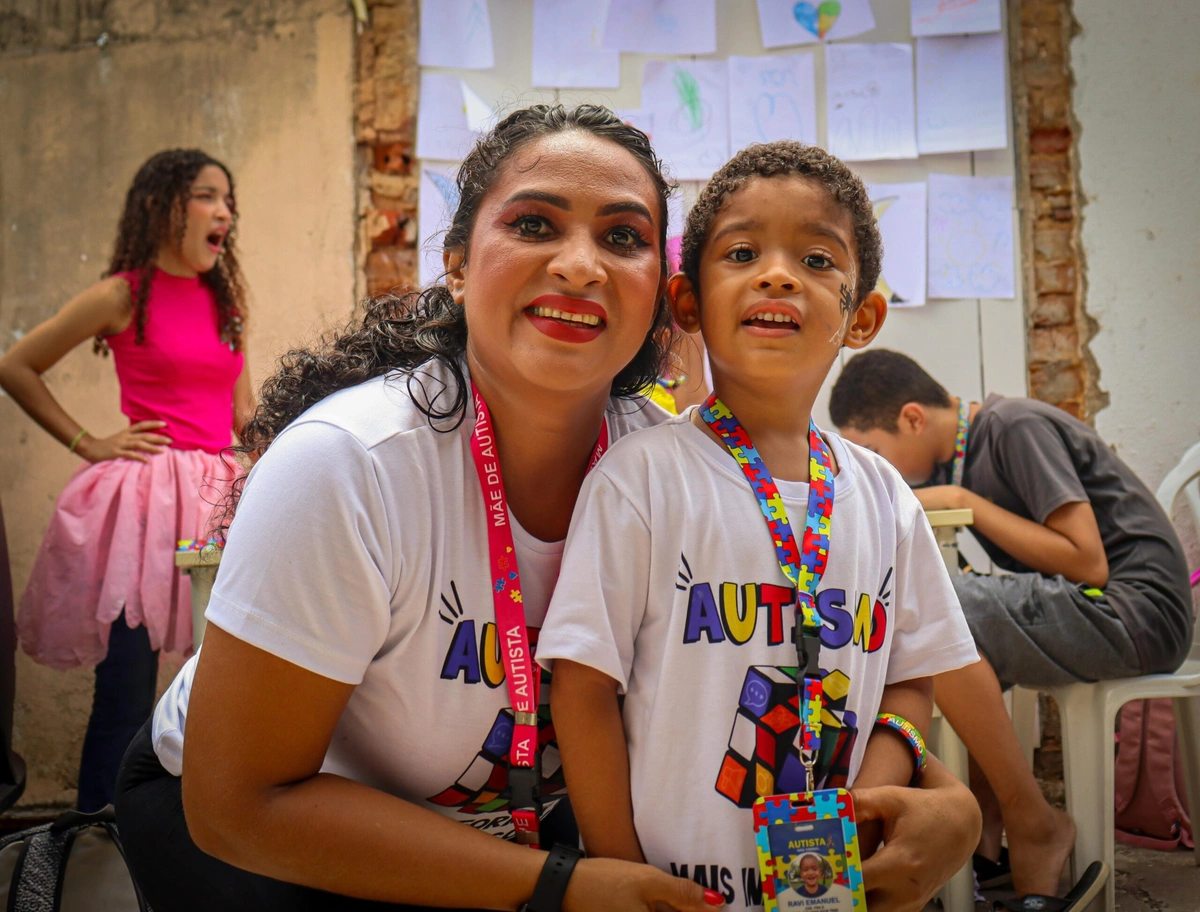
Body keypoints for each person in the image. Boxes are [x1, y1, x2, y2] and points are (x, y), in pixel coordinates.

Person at [538, 141, 982, 912]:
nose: (778, 274)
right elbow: (582, 688)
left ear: (862, 317)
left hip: (831, 886)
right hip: (674, 891)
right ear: (687, 303)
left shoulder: (887, 499)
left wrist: (862, 811)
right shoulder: (640, 478)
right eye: (742, 252)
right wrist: (622, 870)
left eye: (816, 259)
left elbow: (914, 677)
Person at [829, 348, 1192, 902]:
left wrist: (959, 500)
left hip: (1138, 612)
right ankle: (990, 828)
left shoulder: (1011, 426)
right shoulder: (973, 450)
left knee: (945, 614)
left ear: (912, 418)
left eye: (877, 452)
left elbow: (1087, 562)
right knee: (955, 621)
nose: (884, 469)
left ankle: (1035, 825)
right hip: (1106, 611)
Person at [0, 149, 251, 812]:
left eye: (228, 201)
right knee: (129, 680)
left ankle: (208, 825)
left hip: (221, 497)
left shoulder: (226, 301)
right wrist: (91, 443)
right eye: (207, 196)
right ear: (160, 206)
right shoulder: (121, 294)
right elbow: (17, 366)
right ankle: (95, 830)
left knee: (225, 670)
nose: (224, 211)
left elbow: (245, 414)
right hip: (146, 507)